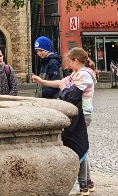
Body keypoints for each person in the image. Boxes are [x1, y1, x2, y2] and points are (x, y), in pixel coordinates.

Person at [33, 47, 96, 195]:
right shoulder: (76, 73)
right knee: (81, 146)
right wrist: (43, 82)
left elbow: (71, 95)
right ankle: (87, 182)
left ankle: (84, 185)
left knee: (78, 145)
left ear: (76, 60)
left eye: (70, 61)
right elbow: (61, 82)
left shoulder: (84, 75)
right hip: (76, 113)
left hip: (82, 114)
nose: (68, 64)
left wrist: (62, 90)